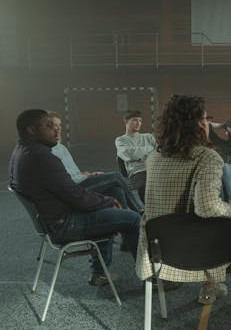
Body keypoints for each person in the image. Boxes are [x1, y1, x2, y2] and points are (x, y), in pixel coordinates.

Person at [9, 109, 140, 286]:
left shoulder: (21, 150)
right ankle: (152, 278)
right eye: (49, 126)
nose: (56, 130)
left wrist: (104, 201)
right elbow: (77, 197)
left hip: (52, 220)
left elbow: (70, 192)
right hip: (64, 224)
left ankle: (99, 273)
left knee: (113, 195)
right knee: (132, 219)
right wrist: (106, 202)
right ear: (31, 130)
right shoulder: (41, 157)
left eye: (57, 126)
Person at [135, 95, 231, 305]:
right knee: (227, 220)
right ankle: (210, 286)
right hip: (195, 252)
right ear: (197, 124)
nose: (207, 123)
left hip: (158, 251)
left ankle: (175, 279)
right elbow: (206, 207)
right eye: (205, 118)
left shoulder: (154, 157)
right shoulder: (207, 157)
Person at [48, 111, 143, 213]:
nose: (58, 128)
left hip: (80, 181)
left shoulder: (61, 147)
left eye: (59, 125)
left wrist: (88, 175)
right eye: (53, 125)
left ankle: (126, 217)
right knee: (116, 176)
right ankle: (139, 210)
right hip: (75, 189)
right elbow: (66, 180)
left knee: (117, 190)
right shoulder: (48, 152)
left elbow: (73, 173)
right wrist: (85, 176)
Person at [115, 110, 156, 202]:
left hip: (154, 168)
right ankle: (148, 210)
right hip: (137, 172)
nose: (138, 123)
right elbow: (129, 154)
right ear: (126, 121)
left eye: (140, 121)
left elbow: (158, 152)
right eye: (135, 120)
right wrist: (149, 149)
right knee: (144, 185)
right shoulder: (120, 140)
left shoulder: (148, 137)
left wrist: (138, 154)